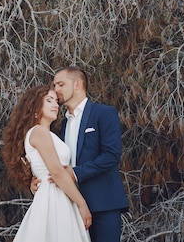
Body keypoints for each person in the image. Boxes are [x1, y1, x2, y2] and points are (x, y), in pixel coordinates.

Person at [47, 66, 129, 242]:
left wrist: (76, 173)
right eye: (55, 85)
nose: (56, 90)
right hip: (70, 206)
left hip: (103, 204)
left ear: (77, 84)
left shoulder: (104, 113)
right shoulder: (62, 124)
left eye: (61, 84)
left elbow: (111, 155)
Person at [1, 85, 91, 242]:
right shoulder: (39, 132)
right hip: (54, 197)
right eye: (49, 100)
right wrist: (82, 204)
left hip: (59, 194)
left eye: (56, 101)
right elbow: (56, 171)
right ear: (35, 106)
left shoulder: (47, 134)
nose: (55, 105)